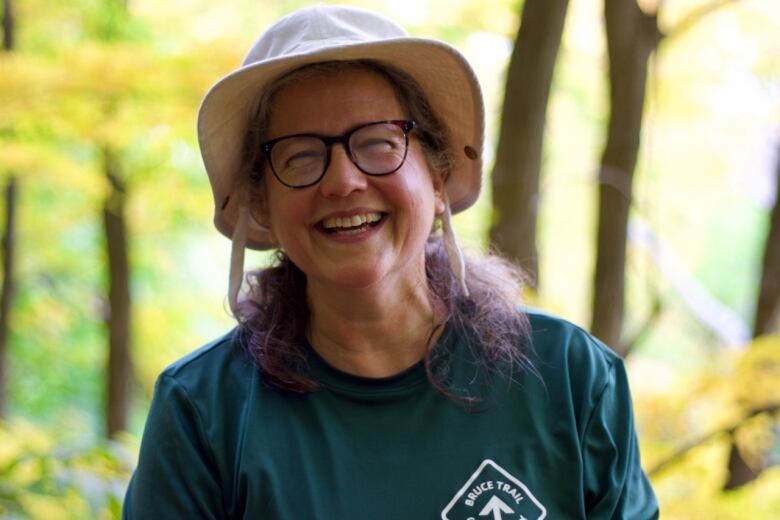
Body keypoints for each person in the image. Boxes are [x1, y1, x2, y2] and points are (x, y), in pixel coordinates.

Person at [123, 4, 658, 519]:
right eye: (302, 155)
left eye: (378, 144)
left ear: (439, 175)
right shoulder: (204, 411)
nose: (343, 181)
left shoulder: (568, 377)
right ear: (262, 201)